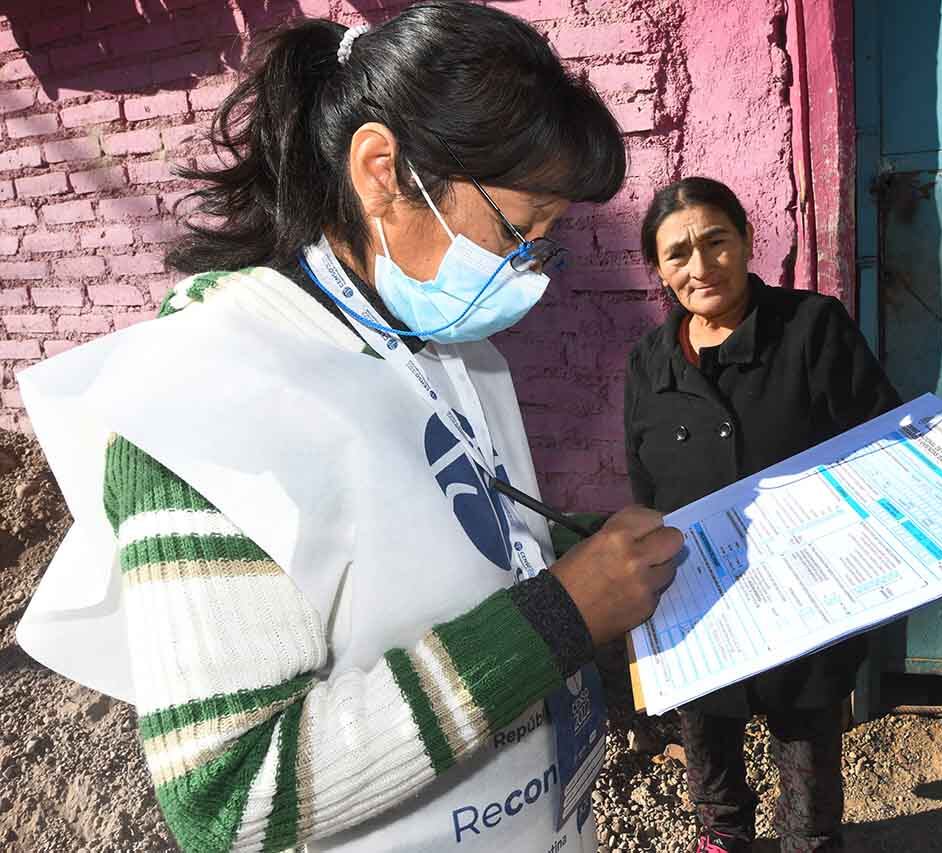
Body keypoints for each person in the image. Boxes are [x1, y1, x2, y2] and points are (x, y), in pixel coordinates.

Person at [16, 4, 682, 852]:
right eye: (520, 230)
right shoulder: (201, 406)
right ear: (382, 172)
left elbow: (453, 561)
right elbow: (227, 798)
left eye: (549, 242)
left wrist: (590, 554)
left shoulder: (446, 350)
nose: (531, 272)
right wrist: (561, 615)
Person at [623, 178, 901, 853]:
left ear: (747, 240)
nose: (700, 266)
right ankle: (722, 834)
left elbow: (882, 439)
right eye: (678, 253)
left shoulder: (812, 328)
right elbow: (644, 479)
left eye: (715, 241)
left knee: (805, 731)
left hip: (805, 588)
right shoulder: (648, 363)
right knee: (706, 730)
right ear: (659, 269)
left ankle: (808, 839)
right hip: (701, 595)